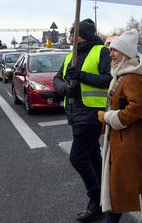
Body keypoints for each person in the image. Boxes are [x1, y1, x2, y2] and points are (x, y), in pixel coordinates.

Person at [54, 18, 111, 221]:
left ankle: (95, 201)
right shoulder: (72, 55)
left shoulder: (101, 52)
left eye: (72, 32)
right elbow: (57, 78)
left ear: (82, 35)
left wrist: (82, 76)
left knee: (77, 158)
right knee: (93, 156)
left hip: (92, 114)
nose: (69, 36)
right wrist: (66, 88)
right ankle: (106, 199)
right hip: (75, 112)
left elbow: (109, 79)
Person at [97, 29, 142, 223]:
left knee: (122, 186)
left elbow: (137, 107)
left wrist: (109, 118)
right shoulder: (122, 73)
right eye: (111, 50)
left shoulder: (132, 77)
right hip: (122, 140)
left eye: (115, 51)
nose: (111, 54)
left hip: (129, 141)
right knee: (120, 187)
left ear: (126, 53)